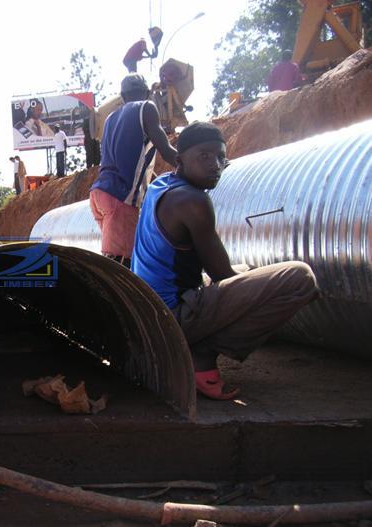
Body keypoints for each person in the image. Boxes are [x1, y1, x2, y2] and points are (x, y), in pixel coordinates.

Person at [132, 121, 319, 400]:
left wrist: (253, 279)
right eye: (204, 156)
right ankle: (202, 354)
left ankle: (196, 346)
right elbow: (223, 275)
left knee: (250, 271)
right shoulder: (192, 201)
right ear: (180, 160)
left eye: (221, 157)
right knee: (300, 278)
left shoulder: (162, 185)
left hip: (149, 313)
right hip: (170, 321)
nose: (215, 165)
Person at [90, 73, 178, 267]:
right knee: (124, 268)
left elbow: (126, 159)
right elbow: (166, 150)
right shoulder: (147, 108)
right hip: (120, 197)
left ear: (122, 96)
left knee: (118, 259)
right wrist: (190, 167)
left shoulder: (111, 118)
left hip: (100, 194)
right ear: (147, 92)